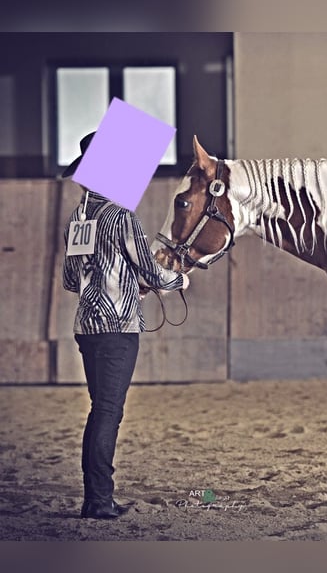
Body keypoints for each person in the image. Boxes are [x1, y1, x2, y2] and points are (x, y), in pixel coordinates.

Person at [61, 132, 189, 519]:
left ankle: (97, 496)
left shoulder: (78, 221)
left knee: (100, 410)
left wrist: (123, 281)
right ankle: (98, 501)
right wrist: (178, 280)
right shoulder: (121, 217)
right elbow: (152, 271)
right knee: (108, 413)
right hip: (117, 328)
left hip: (87, 326)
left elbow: (71, 281)